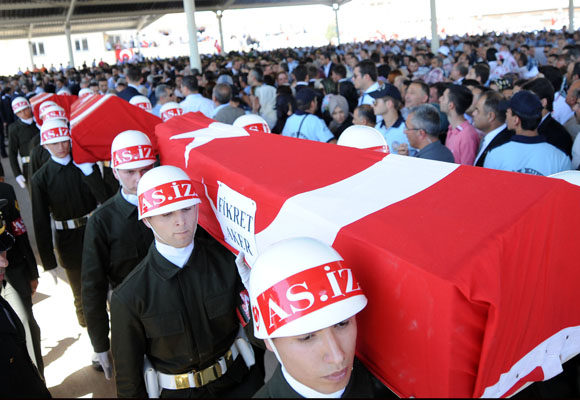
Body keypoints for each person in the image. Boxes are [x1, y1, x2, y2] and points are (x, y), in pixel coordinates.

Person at [111, 165, 265, 398]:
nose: (181, 221)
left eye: (186, 209)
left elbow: (258, 333)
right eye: (167, 214)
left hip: (239, 383)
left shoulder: (229, 261)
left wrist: (259, 294)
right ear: (147, 221)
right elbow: (128, 381)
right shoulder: (130, 296)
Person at [248, 237, 389, 398]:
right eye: (307, 337)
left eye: (342, 324)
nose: (338, 357)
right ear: (269, 341)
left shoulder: (388, 387)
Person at [81, 130, 156, 379]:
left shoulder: (175, 209)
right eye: (130, 172)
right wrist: (100, 343)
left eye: (146, 170)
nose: (139, 178)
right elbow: (93, 286)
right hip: (132, 323)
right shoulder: (102, 221)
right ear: (114, 172)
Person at [30, 119, 101, 328]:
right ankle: (95, 343)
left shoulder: (84, 165)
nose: (61, 147)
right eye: (54, 143)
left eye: (64, 141)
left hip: (94, 231)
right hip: (68, 239)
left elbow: (105, 197)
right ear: (44, 145)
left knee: (106, 281)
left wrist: (90, 172)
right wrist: (48, 261)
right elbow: (40, 221)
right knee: (80, 292)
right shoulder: (40, 179)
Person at [0, 202, 51, 398]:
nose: (3, 260)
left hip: (17, 273)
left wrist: (32, 271)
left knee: (26, 324)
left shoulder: (5, 191)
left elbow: (19, 233)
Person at [484, 90, 572, 175]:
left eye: (508, 112)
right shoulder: (560, 158)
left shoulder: (496, 155)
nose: (506, 116)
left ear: (516, 120)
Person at [440, 85, 480, 165]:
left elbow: (467, 170)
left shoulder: (467, 136)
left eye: (443, 98)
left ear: (451, 105)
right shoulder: (451, 128)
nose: (439, 99)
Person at [471, 91, 512, 167]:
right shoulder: (494, 138)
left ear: (490, 116)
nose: (473, 113)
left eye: (477, 110)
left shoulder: (502, 144)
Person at [369, 83, 413, 154]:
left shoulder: (407, 129)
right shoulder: (377, 128)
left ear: (389, 104)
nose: (372, 105)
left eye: (375, 102)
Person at [8, 97, 39, 190]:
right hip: (28, 167)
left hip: (45, 162)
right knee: (35, 197)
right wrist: (17, 174)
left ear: (30, 108)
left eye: (25, 109)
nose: (23, 113)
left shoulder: (39, 122)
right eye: (19, 112)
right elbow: (12, 152)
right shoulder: (14, 129)